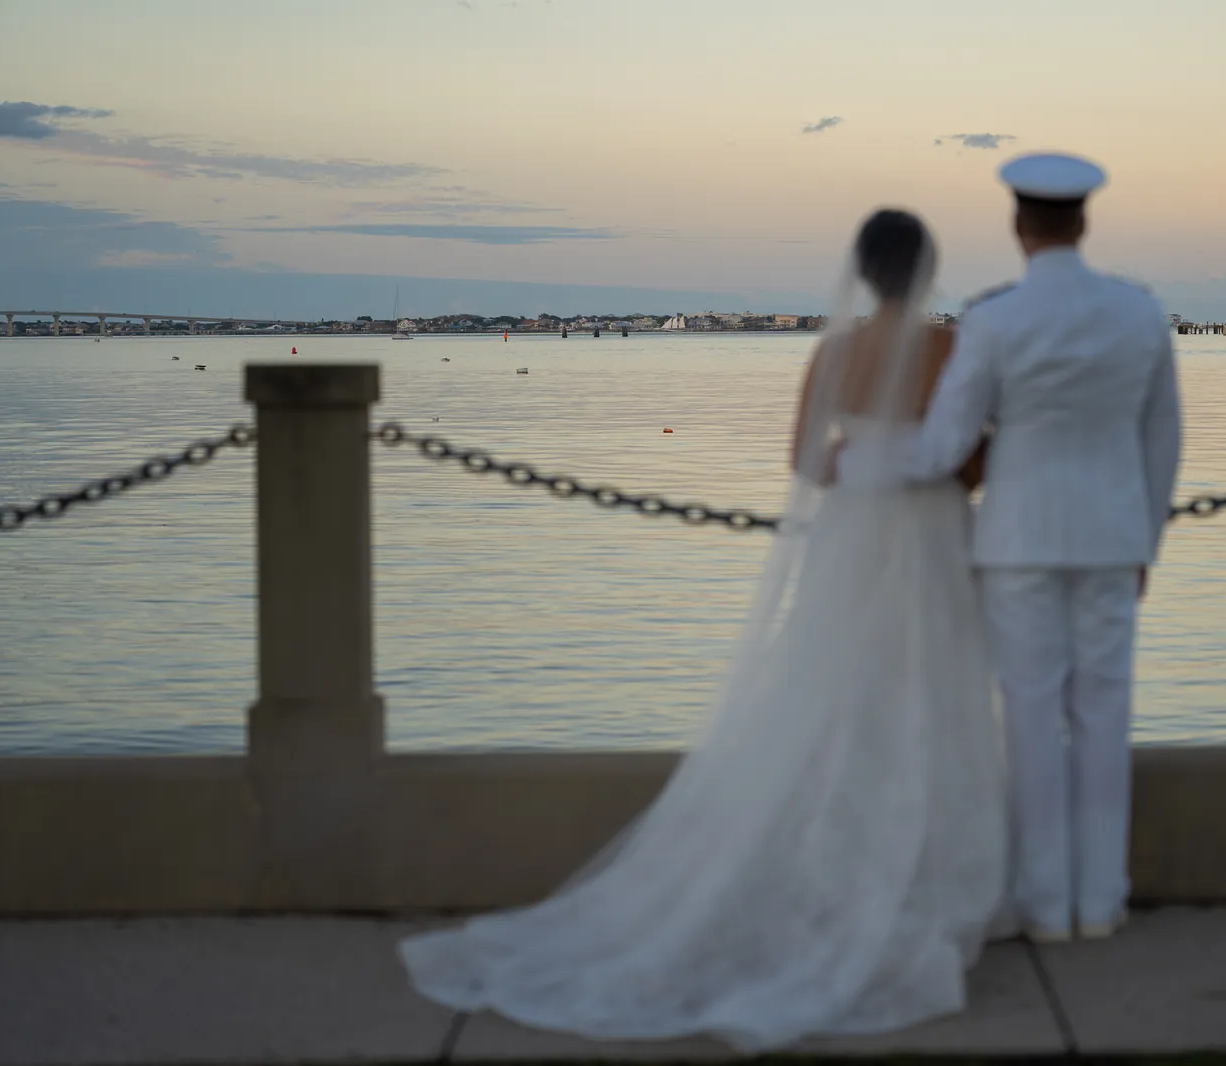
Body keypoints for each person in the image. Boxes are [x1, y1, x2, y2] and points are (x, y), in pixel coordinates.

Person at [399, 209, 1007, 1053]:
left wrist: (853, 459)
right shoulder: (951, 347)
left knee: (831, 700)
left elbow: (802, 460)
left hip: (853, 537)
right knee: (928, 695)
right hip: (932, 534)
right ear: (929, 266)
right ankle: (923, 884)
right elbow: (969, 454)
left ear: (863, 274)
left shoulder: (834, 351)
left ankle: (833, 879)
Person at [839, 152, 1182, 942]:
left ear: (1018, 225)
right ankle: (1101, 901)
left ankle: (1044, 904)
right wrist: (1146, 541)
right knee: (1104, 713)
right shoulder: (1139, 313)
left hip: (1018, 538)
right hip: (1111, 538)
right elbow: (1161, 438)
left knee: (1030, 714)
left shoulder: (993, 320)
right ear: (1083, 222)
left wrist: (855, 461)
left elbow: (940, 449)